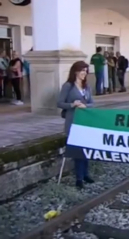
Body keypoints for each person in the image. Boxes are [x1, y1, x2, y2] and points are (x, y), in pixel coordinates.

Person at [57, 61, 95, 189]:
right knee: (78, 151)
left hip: (85, 122)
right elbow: (60, 103)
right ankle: (79, 178)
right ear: (75, 71)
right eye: (82, 70)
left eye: (86, 71)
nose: (84, 73)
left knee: (85, 150)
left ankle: (85, 174)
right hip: (73, 122)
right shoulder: (68, 86)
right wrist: (72, 105)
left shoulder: (87, 87)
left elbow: (92, 103)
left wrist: (85, 106)